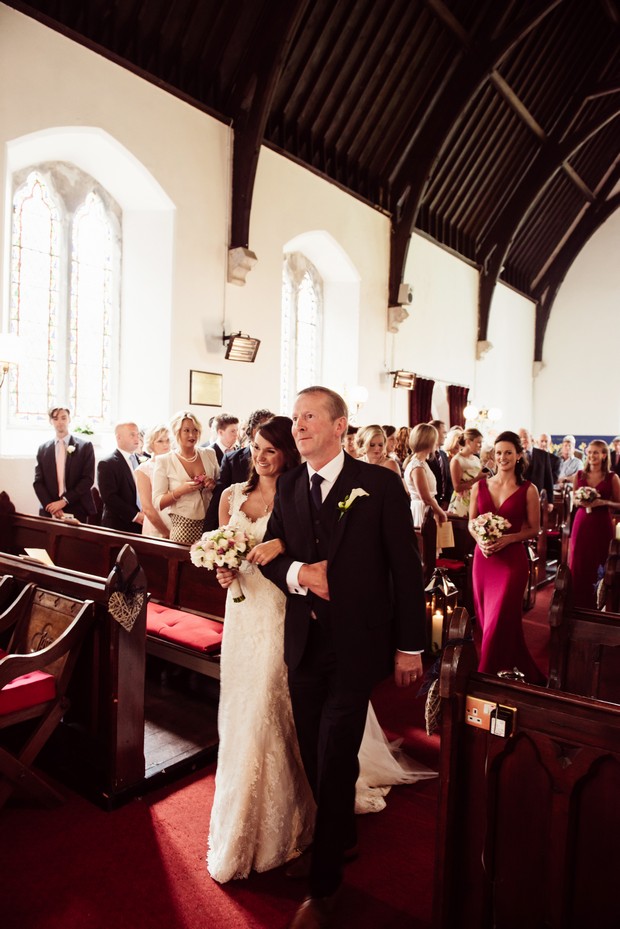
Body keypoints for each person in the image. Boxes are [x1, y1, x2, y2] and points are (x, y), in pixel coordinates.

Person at [260, 387, 426, 929]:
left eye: (310, 416)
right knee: (311, 750)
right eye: (296, 416)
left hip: (357, 647)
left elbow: (406, 570)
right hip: (304, 645)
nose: (298, 424)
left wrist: (410, 645)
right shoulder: (288, 485)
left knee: (335, 758)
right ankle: (343, 835)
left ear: (340, 426)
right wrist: (299, 574)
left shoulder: (378, 485)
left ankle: (324, 884)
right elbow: (270, 555)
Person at [469, 430, 545, 684]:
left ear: (519, 456)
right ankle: (510, 667)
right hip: (484, 561)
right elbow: (471, 523)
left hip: (511, 562)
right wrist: (480, 539)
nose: (502, 457)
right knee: (486, 619)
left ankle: (485, 677)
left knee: (499, 617)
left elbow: (534, 528)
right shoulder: (479, 486)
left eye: (508, 453)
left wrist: (509, 538)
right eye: (499, 452)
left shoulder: (528, 489)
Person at [152, 411, 218, 543]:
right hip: (183, 528)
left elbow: (221, 487)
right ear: (177, 432)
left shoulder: (209, 453)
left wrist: (213, 484)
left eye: (195, 430)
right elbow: (157, 502)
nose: (192, 435)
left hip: (211, 525)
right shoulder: (164, 461)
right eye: (186, 430)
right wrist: (180, 491)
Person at [568, 440, 620, 609]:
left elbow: (619, 503)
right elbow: (575, 501)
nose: (591, 456)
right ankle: (576, 603)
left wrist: (602, 502)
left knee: (599, 560)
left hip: (601, 524)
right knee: (579, 562)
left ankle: (599, 603)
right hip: (581, 523)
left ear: (604, 455)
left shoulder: (612, 477)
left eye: (596, 452)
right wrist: (580, 500)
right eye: (589, 452)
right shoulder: (580, 475)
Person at [203, 409, 274, 531]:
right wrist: (208, 537)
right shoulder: (232, 460)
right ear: (252, 431)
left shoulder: (278, 463)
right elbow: (218, 498)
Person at [33, 405, 96, 523]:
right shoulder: (43, 449)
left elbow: (88, 479)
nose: (60, 422)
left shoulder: (85, 447)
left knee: (75, 542)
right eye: (55, 419)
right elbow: (38, 482)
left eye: (63, 418)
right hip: (50, 509)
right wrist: (51, 506)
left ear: (69, 419)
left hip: (77, 506)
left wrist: (64, 501)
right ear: (50, 421)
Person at [97, 421, 145, 533]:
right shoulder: (107, 463)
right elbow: (109, 497)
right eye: (132, 434)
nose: (136, 438)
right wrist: (135, 515)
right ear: (119, 437)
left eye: (138, 434)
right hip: (119, 525)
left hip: (141, 523)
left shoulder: (140, 460)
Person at [403, 423, 448, 528]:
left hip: (428, 509)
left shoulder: (422, 463)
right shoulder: (417, 465)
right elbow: (426, 498)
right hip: (423, 510)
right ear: (429, 441)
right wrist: (441, 513)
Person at [135, 424, 173, 538]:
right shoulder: (143, 469)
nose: (165, 444)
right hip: (156, 525)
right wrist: (166, 533)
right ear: (151, 444)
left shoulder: (175, 464)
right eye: (160, 441)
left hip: (177, 522)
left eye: (168, 440)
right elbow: (147, 508)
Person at [447, 428, 484, 517]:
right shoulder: (457, 460)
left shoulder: (476, 458)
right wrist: (478, 478)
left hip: (476, 498)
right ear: (468, 442)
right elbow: (457, 487)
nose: (480, 446)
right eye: (478, 442)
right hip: (463, 501)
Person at [427, 419, 452, 507]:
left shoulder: (443, 455)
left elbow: (448, 479)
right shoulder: (426, 456)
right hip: (430, 503)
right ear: (435, 433)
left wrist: (446, 500)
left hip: (444, 504)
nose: (446, 436)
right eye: (444, 433)